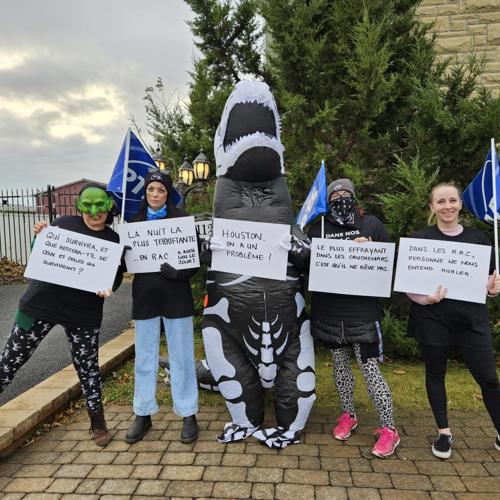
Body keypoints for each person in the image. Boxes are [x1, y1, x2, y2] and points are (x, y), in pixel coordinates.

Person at [0, 183, 123, 446]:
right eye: (87, 205)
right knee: (10, 361)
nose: (93, 211)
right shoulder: (64, 223)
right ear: (79, 207)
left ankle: (97, 422)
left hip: (83, 313)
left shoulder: (112, 240)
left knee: (88, 369)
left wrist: (108, 287)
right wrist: (38, 236)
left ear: (109, 206)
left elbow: (115, 276)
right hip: (39, 306)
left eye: (99, 205)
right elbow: (40, 253)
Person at [407, 182, 500, 459]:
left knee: (489, 379)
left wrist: (494, 290)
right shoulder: (420, 239)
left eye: (452, 200)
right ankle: (444, 432)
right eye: (441, 201)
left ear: (460, 204)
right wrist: (426, 299)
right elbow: (410, 285)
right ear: (432, 207)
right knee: (435, 374)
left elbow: (490, 281)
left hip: (471, 321)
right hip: (432, 319)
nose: (447, 206)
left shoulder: (479, 240)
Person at [308, 178, 400, 458]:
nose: (341, 197)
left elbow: (391, 264)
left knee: (370, 368)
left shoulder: (371, 224)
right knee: (339, 366)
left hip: (362, 311)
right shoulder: (319, 226)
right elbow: (306, 266)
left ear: (355, 197)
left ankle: (389, 429)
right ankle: (348, 414)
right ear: (328, 199)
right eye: (335, 194)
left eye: (346, 193)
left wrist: (371, 250)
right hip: (330, 310)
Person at [125, 171, 199, 445]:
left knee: (181, 355)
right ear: (145, 194)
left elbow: (194, 259)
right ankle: (143, 412)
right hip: (145, 297)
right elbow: (125, 262)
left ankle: (188, 412)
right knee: (144, 358)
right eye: (150, 190)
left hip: (176, 296)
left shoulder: (181, 220)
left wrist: (181, 273)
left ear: (168, 194)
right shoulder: (134, 222)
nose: (155, 195)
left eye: (160, 190)